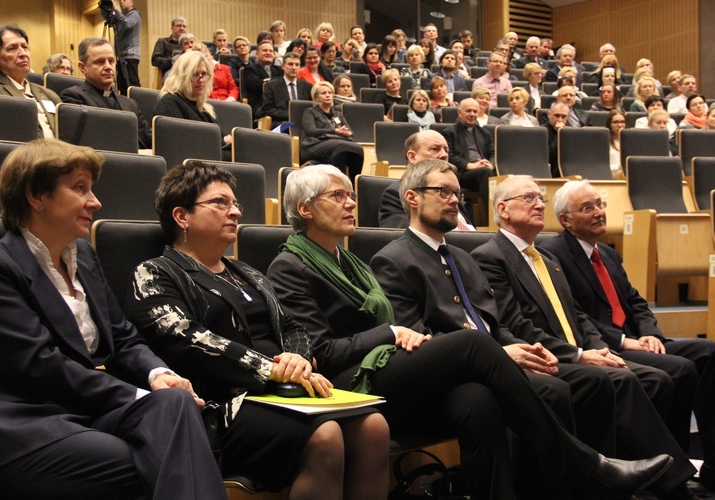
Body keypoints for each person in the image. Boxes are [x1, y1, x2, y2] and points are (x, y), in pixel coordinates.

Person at [268, 163, 675, 500]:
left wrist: (395, 336)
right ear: (305, 209)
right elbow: (320, 352)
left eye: (350, 194)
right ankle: (586, 466)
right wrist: (389, 333)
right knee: (474, 342)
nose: (351, 203)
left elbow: (486, 320)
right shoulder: (290, 266)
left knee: (477, 399)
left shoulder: (350, 261)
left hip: (390, 365)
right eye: (338, 196)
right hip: (352, 380)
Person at [0, 139, 226, 499]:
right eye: (79, 188)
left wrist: (159, 374)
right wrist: (135, 393)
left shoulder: (83, 256)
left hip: (88, 413)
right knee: (166, 461)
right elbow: (39, 365)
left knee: (175, 403)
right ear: (35, 196)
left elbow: (122, 337)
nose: (96, 202)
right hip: (28, 424)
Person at [126, 162, 389, 498]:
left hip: (284, 392)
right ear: (182, 216)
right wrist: (272, 370)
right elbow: (188, 338)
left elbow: (292, 326)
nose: (234, 211)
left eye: (235, 204)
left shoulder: (248, 273)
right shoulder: (155, 274)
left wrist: (298, 359)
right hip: (222, 405)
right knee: (325, 436)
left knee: (373, 427)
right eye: (220, 203)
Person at [470, 175, 698, 499]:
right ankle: (673, 486)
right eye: (529, 198)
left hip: (578, 351)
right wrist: (578, 355)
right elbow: (516, 325)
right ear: (503, 209)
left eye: (541, 198)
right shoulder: (489, 256)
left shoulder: (546, 258)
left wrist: (599, 348)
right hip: (545, 356)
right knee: (623, 381)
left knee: (656, 379)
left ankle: (637, 477)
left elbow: (578, 316)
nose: (539, 204)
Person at [544, 179, 715, 491]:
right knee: (680, 369)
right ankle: (674, 463)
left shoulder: (607, 253)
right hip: (603, 346)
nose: (598, 212)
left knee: (707, 350)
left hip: (638, 338)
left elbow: (635, 302)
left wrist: (651, 334)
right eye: (587, 208)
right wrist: (625, 341)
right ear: (566, 220)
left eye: (600, 204)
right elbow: (575, 315)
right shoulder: (553, 254)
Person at [0, 26, 61, 139]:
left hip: (62, 152)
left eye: (25, 47)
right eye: (12, 48)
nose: (23, 54)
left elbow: (67, 130)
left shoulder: (48, 94)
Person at [61, 37, 152, 149]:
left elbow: (151, 140)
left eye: (111, 61)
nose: (108, 67)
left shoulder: (131, 104)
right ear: (83, 67)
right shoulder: (74, 97)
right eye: (100, 62)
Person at [378, 130, 476, 230]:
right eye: (435, 149)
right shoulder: (396, 194)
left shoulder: (453, 194)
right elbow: (406, 238)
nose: (444, 155)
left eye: (446, 150)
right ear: (412, 156)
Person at [153, 50, 232, 155]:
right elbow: (185, 148)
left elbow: (221, 141)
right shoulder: (169, 104)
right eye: (195, 74)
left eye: (204, 74)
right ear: (182, 76)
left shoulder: (203, 109)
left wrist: (229, 141)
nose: (201, 80)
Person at [301, 81, 363, 180]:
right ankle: (337, 183)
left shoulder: (337, 114)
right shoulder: (310, 111)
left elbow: (350, 133)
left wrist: (346, 133)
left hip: (336, 144)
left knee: (358, 149)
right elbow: (311, 131)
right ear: (316, 97)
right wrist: (334, 131)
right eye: (324, 93)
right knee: (341, 146)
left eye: (330, 93)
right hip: (314, 146)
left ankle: (352, 185)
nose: (328, 95)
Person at [442, 98, 495, 204]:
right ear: (459, 112)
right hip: (462, 173)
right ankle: (492, 217)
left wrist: (491, 164)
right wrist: (469, 165)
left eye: (475, 111)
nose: (472, 114)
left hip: (483, 170)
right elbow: (448, 155)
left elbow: (492, 154)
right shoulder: (449, 133)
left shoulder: (484, 133)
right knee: (486, 174)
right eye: (468, 111)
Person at [101, 0, 141, 95]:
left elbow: (127, 24)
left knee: (131, 84)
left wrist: (116, 9)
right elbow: (108, 19)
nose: (121, 2)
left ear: (132, 2)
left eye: (124, 0)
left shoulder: (135, 14)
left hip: (130, 55)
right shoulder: (121, 17)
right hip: (121, 55)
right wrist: (104, 9)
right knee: (122, 85)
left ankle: (136, 104)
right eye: (120, 0)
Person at [263, 51, 311, 127]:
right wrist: (291, 114)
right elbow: (267, 109)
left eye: (297, 65)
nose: (294, 68)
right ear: (283, 66)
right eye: (290, 64)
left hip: (303, 122)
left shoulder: (307, 86)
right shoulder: (271, 85)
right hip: (280, 123)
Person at [242, 40, 283, 119]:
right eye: (264, 50)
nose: (268, 53)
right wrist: (275, 82)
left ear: (274, 55)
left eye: (271, 51)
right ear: (257, 54)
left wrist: (267, 81)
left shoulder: (279, 70)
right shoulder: (249, 69)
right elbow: (256, 84)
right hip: (260, 106)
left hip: (278, 106)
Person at [545, 102, 570, 177]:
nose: (560, 119)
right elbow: (548, 157)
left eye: (563, 117)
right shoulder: (541, 132)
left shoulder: (571, 133)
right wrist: (559, 135)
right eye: (557, 115)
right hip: (551, 172)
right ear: (549, 115)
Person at [606, 109, 626, 178]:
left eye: (622, 122)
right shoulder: (605, 142)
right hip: (611, 174)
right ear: (609, 124)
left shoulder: (631, 142)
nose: (620, 125)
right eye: (615, 122)